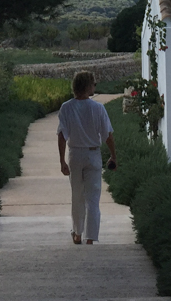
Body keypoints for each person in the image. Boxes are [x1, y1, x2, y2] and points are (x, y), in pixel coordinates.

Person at [57, 70, 118, 245]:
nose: (95, 87)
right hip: (93, 154)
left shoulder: (66, 108)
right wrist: (113, 156)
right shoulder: (98, 108)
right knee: (93, 197)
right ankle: (90, 237)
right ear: (87, 86)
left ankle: (77, 233)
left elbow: (62, 136)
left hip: (75, 153)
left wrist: (62, 161)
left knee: (77, 195)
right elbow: (108, 136)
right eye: (94, 84)